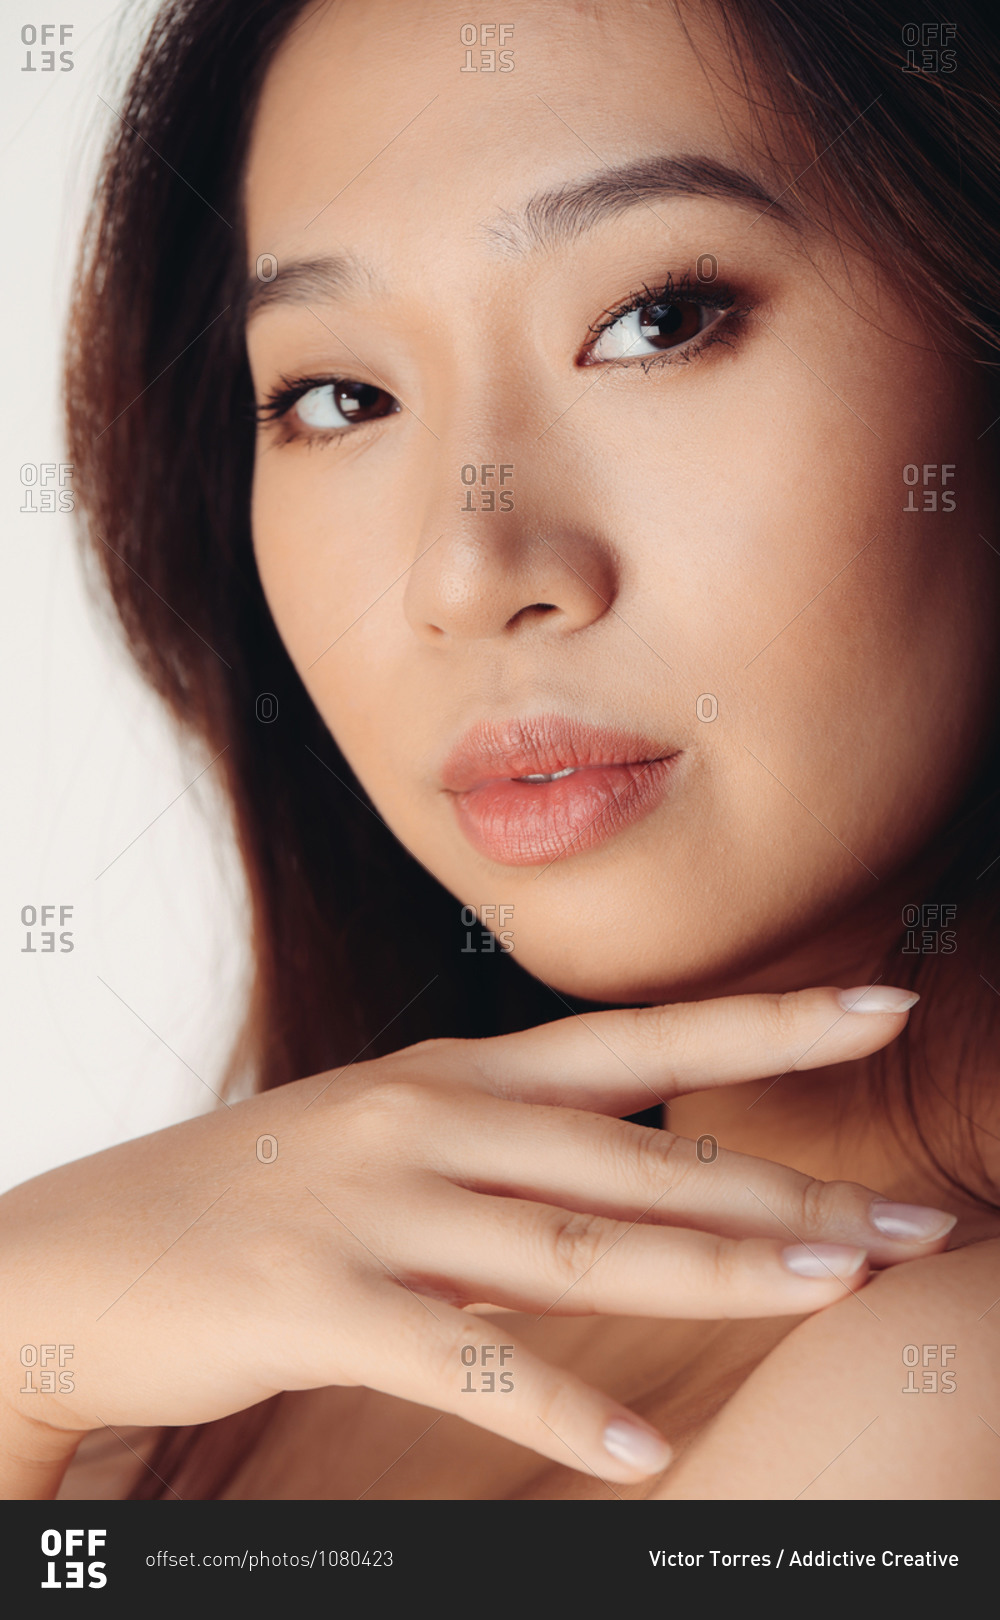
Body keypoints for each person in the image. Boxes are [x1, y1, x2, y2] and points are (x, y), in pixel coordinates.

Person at [3, 0, 999, 1500]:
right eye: (341, 398)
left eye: (658, 320)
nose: (466, 574)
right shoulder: (178, 1377)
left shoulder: (939, 1399)